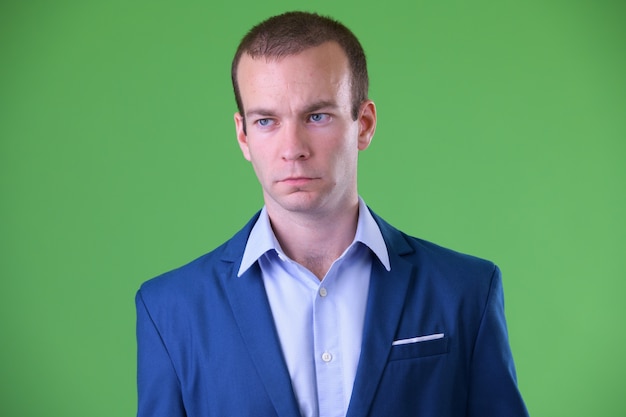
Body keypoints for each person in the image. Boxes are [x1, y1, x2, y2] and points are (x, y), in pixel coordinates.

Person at [136, 11, 529, 417]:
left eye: (317, 116)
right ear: (243, 135)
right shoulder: (169, 309)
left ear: (365, 124)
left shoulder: (466, 291)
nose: (293, 148)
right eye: (266, 120)